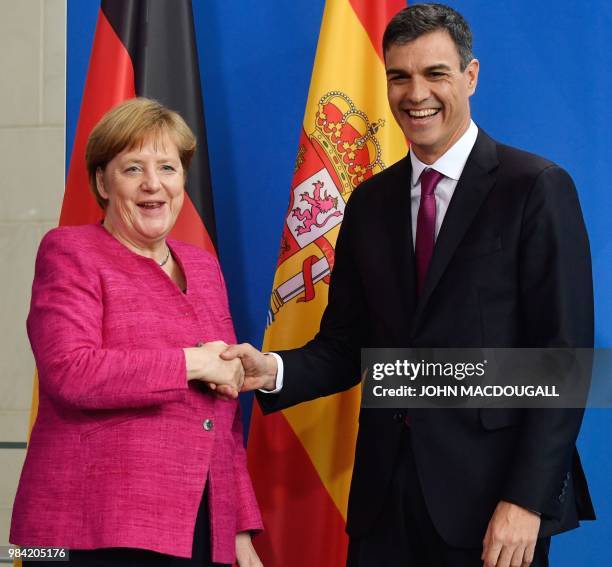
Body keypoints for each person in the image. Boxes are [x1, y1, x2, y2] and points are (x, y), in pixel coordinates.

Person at [221, 4, 595, 567]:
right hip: (383, 506)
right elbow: (346, 347)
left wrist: (526, 499)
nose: (415, 93)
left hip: (493, 508)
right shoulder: (369, 202)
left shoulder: (535, 188)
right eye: (400, 76)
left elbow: (562, 361)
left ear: (470, 76)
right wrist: (272, 370)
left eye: (435, 73)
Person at [11, 98, 263, 567]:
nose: (154, 185)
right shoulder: (70, 252)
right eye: (133, 168)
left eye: (168, 167)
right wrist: (193, 362)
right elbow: (71, 371)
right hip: (90, 529)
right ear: (102, 181)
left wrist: (239, 528)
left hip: (200, 523)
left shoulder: (205, 268)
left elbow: (223, 414)